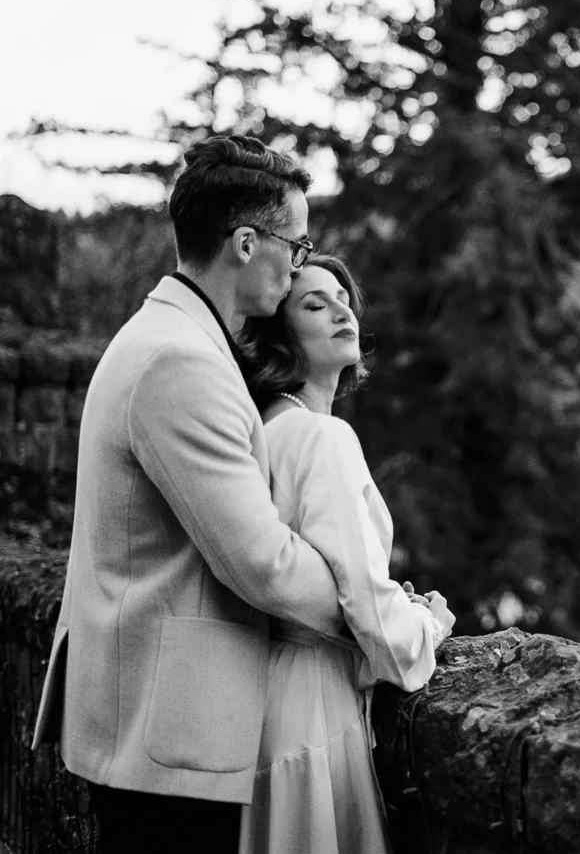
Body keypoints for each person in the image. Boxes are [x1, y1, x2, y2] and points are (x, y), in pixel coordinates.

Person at [32, 135, 350, 854]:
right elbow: (260, 562)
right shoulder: (181, 361)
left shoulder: (166, 337)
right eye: (295, 247)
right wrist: (370, 609)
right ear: (246, 242)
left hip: (149, 719)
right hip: (168, 733)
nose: (298, 263)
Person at [235, 254, 454, 854]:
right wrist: (427, 626)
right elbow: (364, 601)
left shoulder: (269, 427)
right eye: (314, 304)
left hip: (264, 699)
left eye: (343, 298)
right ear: (280, 336)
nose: (342, 311)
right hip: (312, 707)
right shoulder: (321, 435)